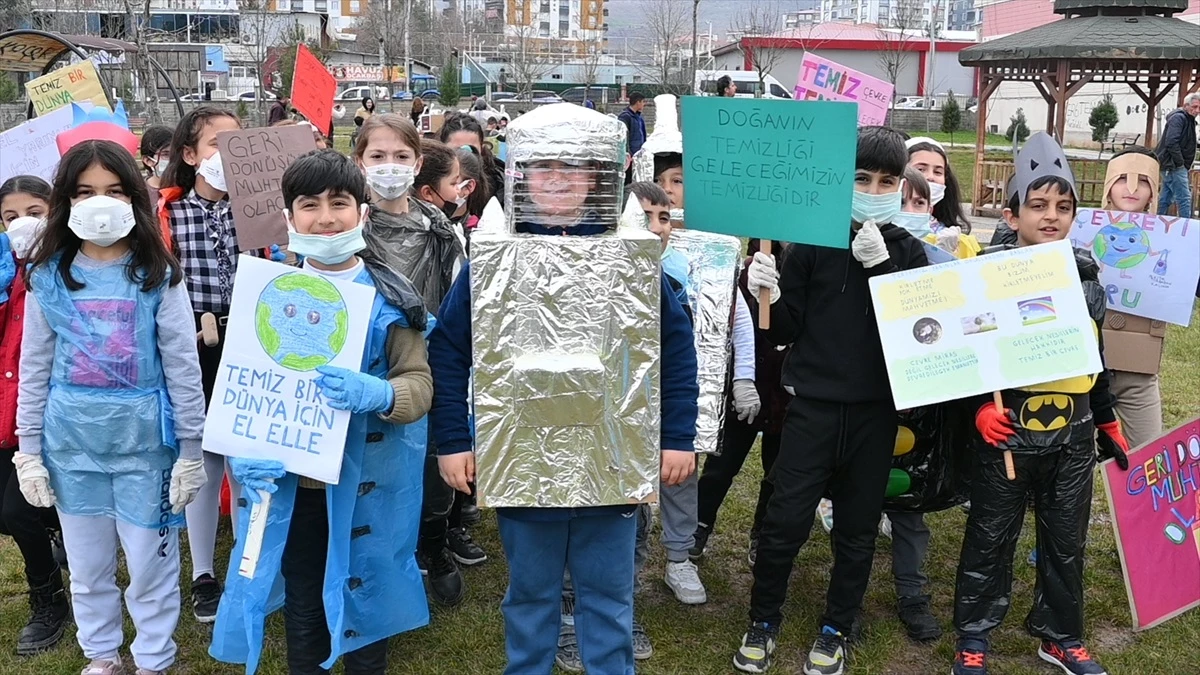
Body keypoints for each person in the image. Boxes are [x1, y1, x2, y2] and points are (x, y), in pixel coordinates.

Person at [429, 103, 699, 675]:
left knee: (608, 596)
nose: (556, 178)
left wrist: (677, 435)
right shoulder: (495, 256)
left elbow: (672, 352)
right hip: (523, 461)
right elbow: (450, 351)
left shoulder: (634, 258)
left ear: (601, 174)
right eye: (543, 165)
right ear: (521, 172)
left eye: (573, 167)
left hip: (612, 463)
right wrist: (453, 440)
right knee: (529, 596)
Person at [210, 149, 433, 675]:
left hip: (367, 488)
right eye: (309, 205)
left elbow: (419, 385)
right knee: (305, 600)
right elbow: (244, 387)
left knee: (365, 599)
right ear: (288, 218)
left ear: (364, 212)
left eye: (340, 202)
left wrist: (380, 395)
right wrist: (243, 456)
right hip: (294, 488)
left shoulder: (390, 299)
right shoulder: (264, 296)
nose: (326, 217)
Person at [735, 126, 929, 675]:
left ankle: (838, 626)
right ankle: (763, 617)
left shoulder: (909, 250)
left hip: (875, 412)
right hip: (813, 406)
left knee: (858, 529)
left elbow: (918, 332)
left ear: (899, 187)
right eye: (861, 178)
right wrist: (764, 291)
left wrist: (883, 270)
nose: (873, 188)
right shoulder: (813, 243)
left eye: (886, 180)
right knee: (785, 519)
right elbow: (782, 331)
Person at [16, 139, 207, 675]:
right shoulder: (49, 277)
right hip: (71, 449)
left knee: (149, 566)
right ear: (66, 202)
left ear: (134, 199)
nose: (100, 202)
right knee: (88, 566)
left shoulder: (157, 276)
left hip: (146, 449)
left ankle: (153, 659)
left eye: (114, 191)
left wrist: (190, 448)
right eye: (85, 192)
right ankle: (102, 655)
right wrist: (28, 449)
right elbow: (35, 370)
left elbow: (182, 368)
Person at [950, 132, 1129, 675]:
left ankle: (1060, 634)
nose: (1051, 216)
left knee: (1066, 539)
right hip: (1008, 431)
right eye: (1038, 204)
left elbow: (1090, 355)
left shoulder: (1084, 272)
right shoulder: (985, 270)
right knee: (989, 536)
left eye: (1064, 206)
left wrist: (1105, 416)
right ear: (1012, 213)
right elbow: (964, 351)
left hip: (1071, 435)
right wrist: (979, 408)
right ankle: (974, 633)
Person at [352, 114, 467, 605]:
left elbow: (458, 293)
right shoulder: (348, 228)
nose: (389, 166)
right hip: (371, 359)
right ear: (359, 163)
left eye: (400, 157)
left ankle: (433, 544)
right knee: (373, 464)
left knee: (435, 461)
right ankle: (371, 559)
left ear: (418, 164)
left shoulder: (440, 230)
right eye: (377, 156)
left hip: (434, 358)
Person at [158, 105, 245, 623]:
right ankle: (203, 573)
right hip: (195, 346)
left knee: (247, 456)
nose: (227, 155)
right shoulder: (168, 214)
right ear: (190, 156)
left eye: (237, 143)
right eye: (216, 144)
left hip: (252, 341)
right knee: (204, 458)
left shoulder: (257, 208)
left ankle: (249, 560)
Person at [0, 176, 70, 657]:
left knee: (17, 510)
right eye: (10, 216)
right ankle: (58, 532)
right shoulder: (5, 270)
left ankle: (49, 597)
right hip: (4, 411)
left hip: (48, 414)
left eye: (35, 211)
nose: (22, 223)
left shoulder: (70, 266)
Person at [692, 236, 789, 567]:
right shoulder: (749, 270)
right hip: (747, 384)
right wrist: (738, 379)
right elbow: (730, 324)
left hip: (789, 395)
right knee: (721, 466)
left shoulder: (812, 270)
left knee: (777, 473)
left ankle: (763, 532)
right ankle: (699, 525)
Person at [1099, 148, 1166, 449]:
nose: (1130, 188)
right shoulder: (1078, 228)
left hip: (1138, 370)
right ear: (1108, 184)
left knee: (1151, 453)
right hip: (1086, 368)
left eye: (1141, 181)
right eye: (1122, 179)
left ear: (1154, 189)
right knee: (1073, 464)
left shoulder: (1173, 239)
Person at [906, 137, 981, 258]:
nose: (930, 177)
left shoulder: (949, 235)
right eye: (920, 169)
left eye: (938, 172)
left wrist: (943, 256)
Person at [1154, 92, 1199, 217]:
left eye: (1199, 108)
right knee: (1184, 198)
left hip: (1172, 164)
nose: (1197, 110)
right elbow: (1171, 142)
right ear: (1186, 106)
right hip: (1173, 164)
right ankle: (1187, 227)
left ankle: (1158, 220)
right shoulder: (1179, 118)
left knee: (1166, 196)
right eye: (1194, 107)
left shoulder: (1187, 119)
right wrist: (1180, 164)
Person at [618, 93, 647, 185]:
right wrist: (628, 153)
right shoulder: (625, 117)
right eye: (642, 102)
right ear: (637, 102)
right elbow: (622, 137)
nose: (644, 104)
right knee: (627, 181)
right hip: (629, 157)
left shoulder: (639, 118)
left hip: (638, 156)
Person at [139, 125, 173, 191]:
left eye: (177, 153)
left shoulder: (189, 190)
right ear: (148, 160)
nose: (174, 158)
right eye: (166, 154)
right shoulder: (138, 193)